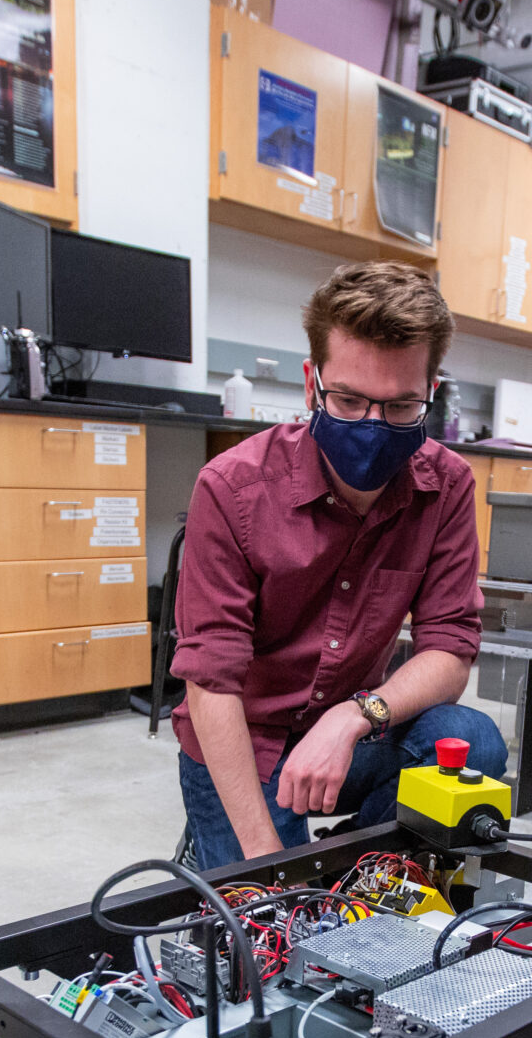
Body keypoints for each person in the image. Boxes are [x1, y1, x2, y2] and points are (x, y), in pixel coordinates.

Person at [170, 262, 505, 871]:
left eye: (403, 406)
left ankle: (357, 867)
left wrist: (353, 717)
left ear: (431, 391)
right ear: (310, 383)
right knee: (274, 918)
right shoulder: (232, 487)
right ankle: (256, 859)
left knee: (471, 740)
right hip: (246, 741)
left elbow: (450, 650)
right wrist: (269, 869)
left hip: (353, 736)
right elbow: (210, 681)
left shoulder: (446, 484)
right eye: (348, 400)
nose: (373, 429)